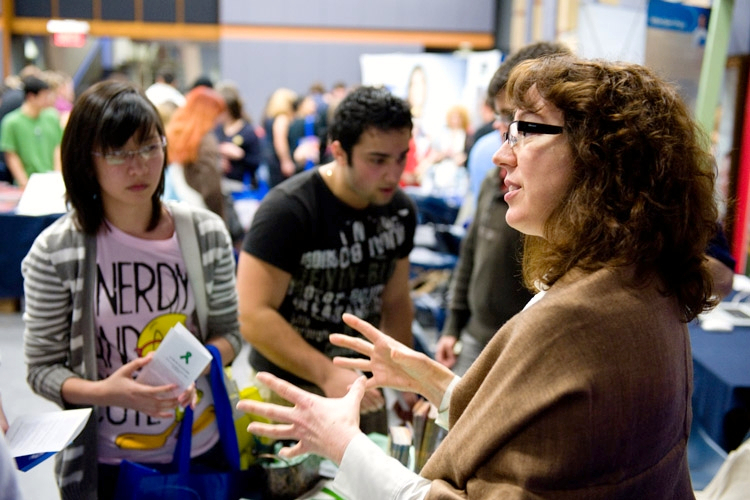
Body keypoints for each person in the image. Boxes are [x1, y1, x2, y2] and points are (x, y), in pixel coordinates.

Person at [238, 55, 719, 499]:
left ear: (599, 157)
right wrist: (431, 380)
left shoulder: (578, 317)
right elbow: (537, 428)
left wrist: (339, 442)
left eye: (525, 131)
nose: (500, 155)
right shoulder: (637, 282)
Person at [22, 80, 241, 500]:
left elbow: (231, 334)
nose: (138, 166)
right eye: (118, 154)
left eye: (148, 147)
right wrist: (106, 393)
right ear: (87, 162)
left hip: (198, 448)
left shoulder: (204, 232)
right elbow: (42, 369)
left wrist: (195, 362)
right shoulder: (56, 251)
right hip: (107, 462)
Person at [236, 86, 417, 434]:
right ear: (339, 152)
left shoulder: (400, 210)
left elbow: (395, 302)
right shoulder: (288, 209)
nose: (393, 174)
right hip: (289, 389)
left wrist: (408, 377)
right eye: (377, 160)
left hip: (363, 390)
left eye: (401, 157)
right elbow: (253, 316)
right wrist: (327, 373)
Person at [436, 42, 571, 376]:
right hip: (479, 337)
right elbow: (470, 254)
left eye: (524, 126)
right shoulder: (495, 182)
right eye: (505, 122)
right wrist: (453, 324)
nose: (501, 148)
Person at [0, 75, 63, 189]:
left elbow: (58, 146)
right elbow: (11, 155)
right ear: (31, 97)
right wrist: (24, 183)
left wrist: (58, 175)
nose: (47, 100)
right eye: (44, 96)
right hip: (29, 182)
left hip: (52, 179)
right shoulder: (11, 122)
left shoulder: (52, 116)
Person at [214, 82, 262, 189]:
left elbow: (257, 161)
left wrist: (241, 155)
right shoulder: (217, 129)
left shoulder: (247, 131)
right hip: (220, 184)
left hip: (243, 186)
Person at [262, 87, 297, 187]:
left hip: (272, 159)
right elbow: (280, 141)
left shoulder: (271, 118)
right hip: (278, 162)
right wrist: (285, 161)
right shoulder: (282, 118)